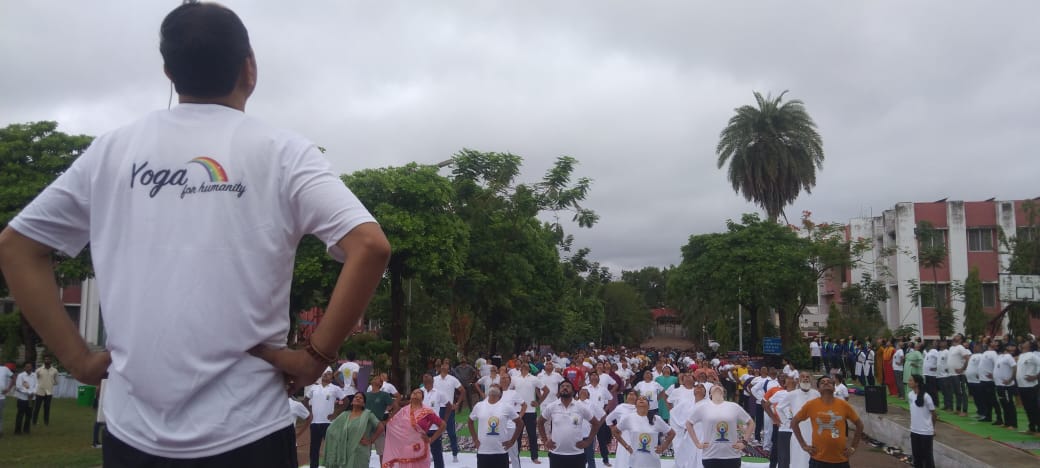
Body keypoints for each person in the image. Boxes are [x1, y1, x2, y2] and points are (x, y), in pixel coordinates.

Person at [0, 2, 391, 465]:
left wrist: (79, 360)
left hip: (132, 432)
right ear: (250, 68)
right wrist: (315, 357)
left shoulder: (112, 151)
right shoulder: (283, 152)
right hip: (247, 429)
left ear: (169, 71)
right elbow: (369, 245)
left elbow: (17, 245)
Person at [791, 376, 864, 468]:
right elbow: (794, 423)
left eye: (829, 382)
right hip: (818, 459)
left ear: (834, 388)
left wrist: (853, 447)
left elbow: (859, 425)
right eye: (822, 382)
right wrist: (803, 445)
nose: (826, 383)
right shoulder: (811, 405)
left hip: (841, 460)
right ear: (818, 389)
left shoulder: (843, 405)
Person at [687, 385, 754, 468]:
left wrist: (744, 442)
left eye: (719, 386)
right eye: (714, 386)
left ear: (724, 392)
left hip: (732, 455)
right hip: (710, 455)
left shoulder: (734, 406)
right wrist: (697, 444)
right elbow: (689, 423)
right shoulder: (703, 407)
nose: (717, 387)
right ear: (710, 393)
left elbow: (751, 423)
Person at [538, 381, 599, 468]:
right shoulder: (552, 406)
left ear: (573, 391)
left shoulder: (580, 407)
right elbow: (540, 422)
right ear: (559, 391)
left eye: (568, 386)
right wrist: (545, 440)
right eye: (562, 386)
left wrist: (588, 441)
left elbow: (596, 423)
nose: (565, 388)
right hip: (556, 453)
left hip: (577, 454)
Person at [383, 389, 446, 468]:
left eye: (418, 393)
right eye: (413, 393)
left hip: (421, 448)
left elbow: (443, 425)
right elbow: (392, 425)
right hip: (405, 448)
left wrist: (431, 440)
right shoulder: (403, 411)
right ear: (411, 396)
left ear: (422, 398)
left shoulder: (427, 412)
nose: (415, 394)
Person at [469, 385, 524, 468]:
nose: (494, 388)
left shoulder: (506, 407)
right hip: (483, 451)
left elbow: (520, 423)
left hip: (501, 451)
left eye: (496, 387)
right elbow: (470, 421)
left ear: (500, 394)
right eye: (492, 386)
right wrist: (475, 439)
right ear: (488, 392)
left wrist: (512, 441)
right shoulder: (479, 406)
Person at [614, 395, 675, 468]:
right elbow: (615, 431)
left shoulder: (656, 419)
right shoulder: (629, 418)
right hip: (634, 464)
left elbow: (672, 433)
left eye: (644, 399)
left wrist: (664, 446)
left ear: (649, 406)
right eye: (639, 399)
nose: (641, 400)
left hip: (653, 464)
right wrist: (626, 446)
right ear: (635, 405)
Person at [324, 393, 382, 468]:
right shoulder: (345, 415)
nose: (358, 398)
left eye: (360, 398)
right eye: (356, 397)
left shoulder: (368, 414)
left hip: (361, 452)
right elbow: (331, 430)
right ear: (352, 402)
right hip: (346, 452)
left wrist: (371, 441)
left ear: (364, 404)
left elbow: (380, 427)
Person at [306, 370, 349, 468]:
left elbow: (346, 401)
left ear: (332, 378)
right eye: (324, 373)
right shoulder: (314, 388)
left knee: (331, 448)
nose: (325, 374)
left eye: (329, 373)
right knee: (314, 449)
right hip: (315, 423)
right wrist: (309, 413)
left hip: (329, 423)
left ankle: (332, 466)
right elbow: (305, 400)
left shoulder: (335, 388)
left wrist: (335, 413)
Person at [782, 371, 820, 468]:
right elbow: (779, 407)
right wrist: (785, 421)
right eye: (803, 377)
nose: (805, 378)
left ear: (810, 379)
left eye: (807, 376)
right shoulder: (793, 394)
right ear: (799, 380)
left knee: (813, 454)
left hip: (813, 430)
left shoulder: (816, 394)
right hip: (797, 430)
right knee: (797, 454)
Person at [514, 361, 545, 465]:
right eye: (522, 364)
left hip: (530, 411)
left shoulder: (534, 378)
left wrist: (539, 402)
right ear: (520, 367)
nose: (524, 365)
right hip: (517, 410)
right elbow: (508, 391)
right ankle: (514, 456)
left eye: (526, 365)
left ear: (529, 368)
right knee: (516, 435)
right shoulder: (515, 378)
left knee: (532, 435)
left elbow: (546, 390)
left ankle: (534, 457)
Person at [434, 361, 465, 463]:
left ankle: (455, 454)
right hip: (437, 408)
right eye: (442, 365)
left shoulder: (453, 379)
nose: (444, 367)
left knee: (451, 432)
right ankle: (434, 453)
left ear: (449, 368)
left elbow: (462, 391)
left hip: (449, 409)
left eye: (446, 365)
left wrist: (457, 403)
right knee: (435, 431)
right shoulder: (434, 379)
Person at [364, 374, 399, 462]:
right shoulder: (365, 395)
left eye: (378, 379)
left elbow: (396, 407)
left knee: (382, 452)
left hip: (378, 425)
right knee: (365, 452)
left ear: (380, 384)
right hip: (366, 425)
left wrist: (386, 421)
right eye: (374, 378)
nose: (375, 379)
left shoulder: (384, 395)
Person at [421, 373, 452, 468]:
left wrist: (444, 421)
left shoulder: (439, 393)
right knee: (420, 453)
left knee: (437, 454)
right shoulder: (420, 392)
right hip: (421, 428)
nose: (427, 382)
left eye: (429, 380)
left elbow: (449, 405)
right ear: (423, 382)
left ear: (432, 381)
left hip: (435, 428)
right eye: (425, 381)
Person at [907, 375, 936, 468]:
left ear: (917, 383)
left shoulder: (927, 397)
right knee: (917, 456)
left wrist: (932, 428)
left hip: (926, 432)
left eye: (911, 380)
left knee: (928, 457)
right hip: (914, 430)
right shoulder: (910, 395)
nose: (909, 382)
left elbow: (934, 414)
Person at [604, 391, 638, 468]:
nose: (631, 396)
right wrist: (614, 430)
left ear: (637, 398)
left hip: (637, 438)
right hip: (624, 438)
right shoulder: (621, 407)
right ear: (626, 397)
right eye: (629, 394)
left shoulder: (639, 408)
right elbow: (608, 419)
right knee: (623, 459)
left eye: (634, 395)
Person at [1017, 341, 1040, 434]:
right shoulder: (1022, 355)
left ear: (1029, 346)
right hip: (1021, 386)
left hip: (1030, 386)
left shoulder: (1033, 356)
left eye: (1026, 342)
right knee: (1027, 408)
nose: (1024, 343)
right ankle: (1032, 428)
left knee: (1034, 408)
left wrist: (1035, 376)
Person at [994, 341, 1018, 429]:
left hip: (1007, 385)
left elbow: (1015, 368)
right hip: (999, 384)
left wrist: (1010, 379)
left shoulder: (1009, 357)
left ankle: (1013, 424)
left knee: (1009, 404)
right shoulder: (1000, 356)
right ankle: (1007, 422)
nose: (1013, 349)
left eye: (1014, 347)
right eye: (1011, 346)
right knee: (1003, 403)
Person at [33, 355, 59, 426]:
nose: (47, 361)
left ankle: (46, 422)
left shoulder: (55, 370)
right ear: (44, 361)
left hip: (49, 392)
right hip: (39, 391)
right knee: (37, 407)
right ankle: (34, 422)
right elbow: (34, 380)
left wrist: (51, 382)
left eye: (48, 359)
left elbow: (57, 382)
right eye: (46, 359)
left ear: (51, 361)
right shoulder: (39, 370)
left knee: (47, 408)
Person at [13, 362, 36, 435]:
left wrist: (33, 392)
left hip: (32, 399)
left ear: (32, 367)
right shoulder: (21, 376)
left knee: (29, 415)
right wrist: (28, 393)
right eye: (27, 367)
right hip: (22, 399)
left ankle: (26, 430)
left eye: (30, 367)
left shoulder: (34, 375)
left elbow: (37, 385)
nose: (28, 368)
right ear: (24, 368)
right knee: (20, 415)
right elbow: (18, 387)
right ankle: (17, 431)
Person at [93, 378, 109, 448]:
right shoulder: (104, 382)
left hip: (102, 402)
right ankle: (95, 442)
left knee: (100, 423)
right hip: (103, 403)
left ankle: (96, 442)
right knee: (99, 422)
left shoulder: (102, 381)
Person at [0, 361, 14, 437]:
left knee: (0, 415)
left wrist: (8, 389)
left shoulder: (5, 369)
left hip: (1, 397)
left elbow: (13, 377)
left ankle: (0, 431)